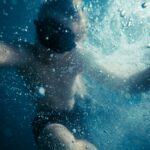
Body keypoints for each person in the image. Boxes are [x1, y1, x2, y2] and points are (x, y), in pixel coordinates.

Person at [0, 0, 149, 149]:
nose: (50, 48)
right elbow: (5, 52)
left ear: (76, 41)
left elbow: (126, 83)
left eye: (62, 41)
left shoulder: (78, 58)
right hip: (47, 120)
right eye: (47, 31)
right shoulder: (26, 54)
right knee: (59, 142)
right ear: (37, 25)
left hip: (76, 115)